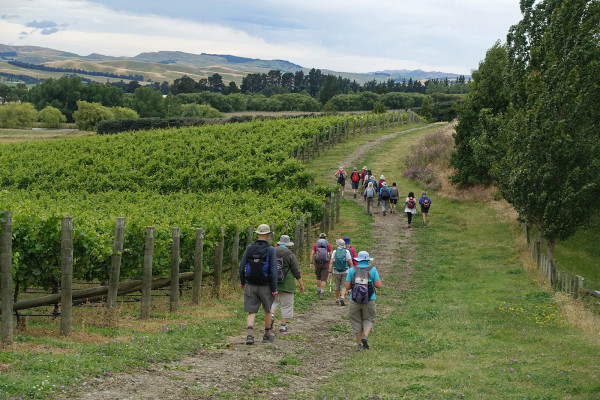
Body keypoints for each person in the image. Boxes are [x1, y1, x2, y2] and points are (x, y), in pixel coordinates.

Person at [239, 224, 278, 345]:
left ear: (258, 234)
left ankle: (250, 335)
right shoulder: (270, 249)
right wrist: (274, 287)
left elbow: (241, 267)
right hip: (266, 285)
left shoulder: (250, 248)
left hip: (250, 284)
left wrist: (243, 281)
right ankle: (266, 334)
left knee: (251, 311)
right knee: (267, 310)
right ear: (267, 234)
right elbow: (273, 270)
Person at [345, 251, 382, 351]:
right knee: (369, 318)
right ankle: (365, 335)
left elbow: (347, 286)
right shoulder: (372, 270)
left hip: (355, 299)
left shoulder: (353, 270)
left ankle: (359, 344)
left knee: (356, 320)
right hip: (369, 299)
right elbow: (378, 285)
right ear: (367, 259)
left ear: (358, 259)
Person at [270, 235, 305, 334]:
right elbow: (296, 271)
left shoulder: (271, 252)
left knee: (273, 302)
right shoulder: (290, 255)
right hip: (287, 283)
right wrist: (301, 284)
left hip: (273, 283)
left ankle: (271, 316)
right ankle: (283, 327)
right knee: (286, 305)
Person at [328, 239, 353, 306]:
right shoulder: (347, 252)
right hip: (345, 271)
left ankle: (337, 299)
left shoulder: (335, 252)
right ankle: (342, 297)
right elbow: (350, 263)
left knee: (337, 285)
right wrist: (352, 271)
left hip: (336, 271)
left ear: (337, 244)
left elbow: (331, 262)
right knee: (343, 285)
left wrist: (330, 272)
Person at [309, 233, 332, 298]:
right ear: (325, 238)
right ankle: (322, 293)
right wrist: (331, 262)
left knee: (318, 277)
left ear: (319, 238)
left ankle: (318, 291)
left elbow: (312, 254)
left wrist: (311, 263)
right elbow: (331, 254)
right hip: (326, 262)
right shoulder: (328, 244)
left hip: (317, 262)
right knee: (324, 278)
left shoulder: (316, 245)